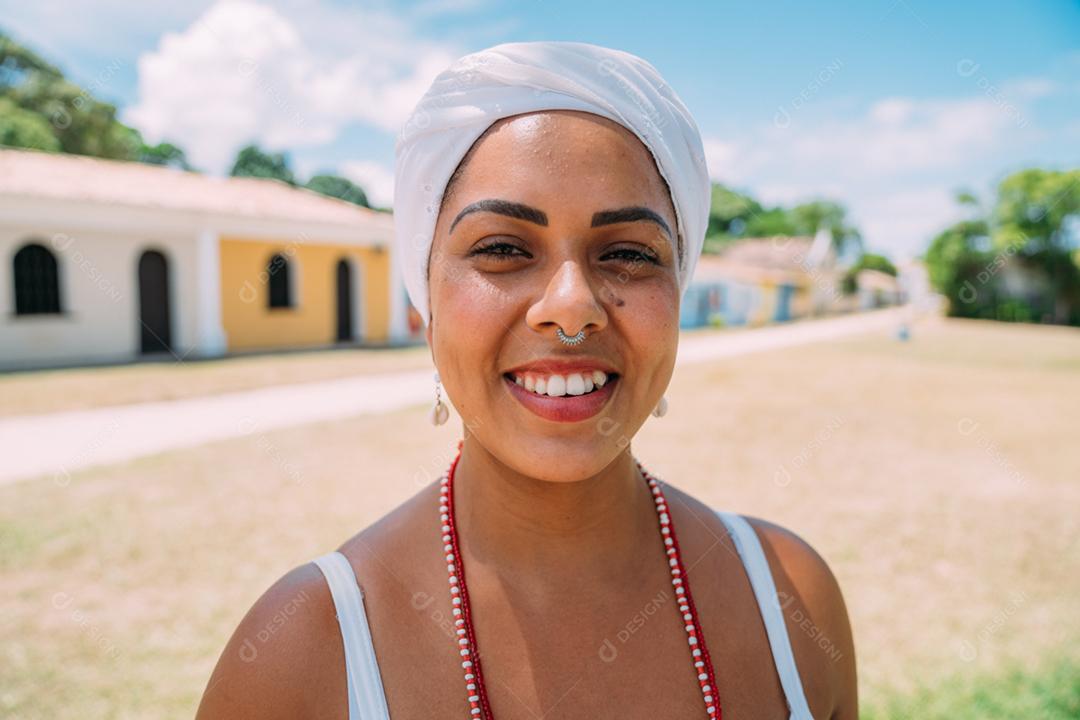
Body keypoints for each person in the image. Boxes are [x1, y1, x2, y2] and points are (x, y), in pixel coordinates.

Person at [196, 41, 857, 720]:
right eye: (503, 249)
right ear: (425, 301)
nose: (571, 307)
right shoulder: (301, 656)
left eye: (628, 253)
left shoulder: (793, 602)